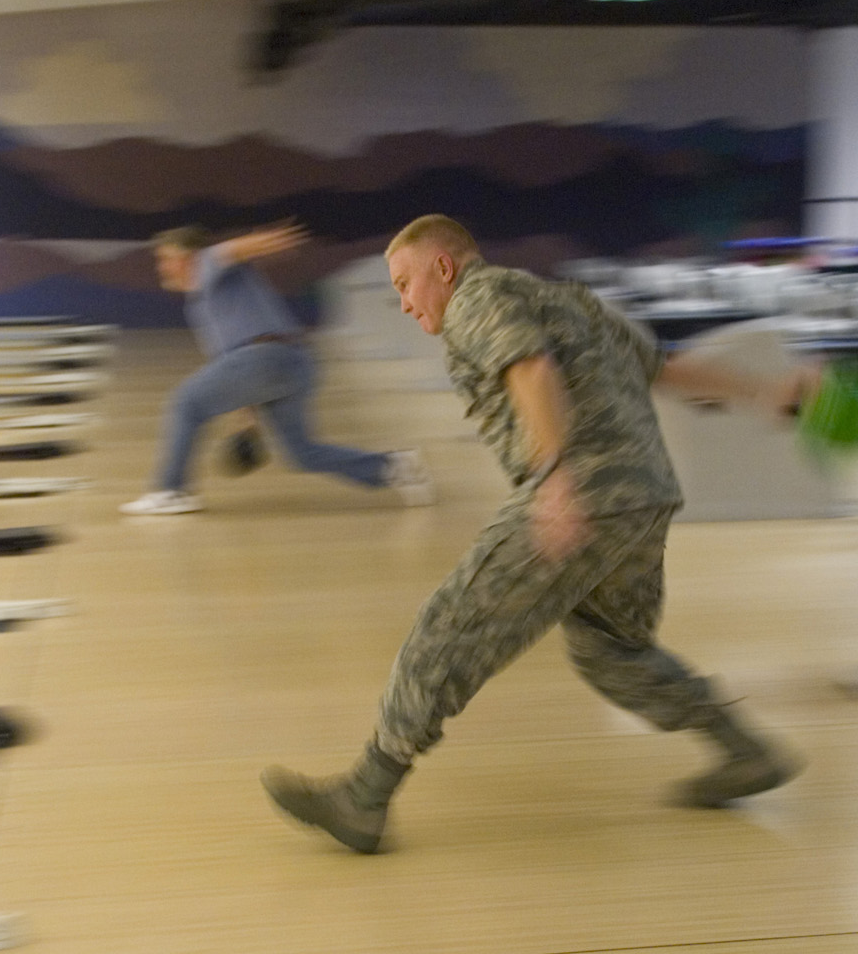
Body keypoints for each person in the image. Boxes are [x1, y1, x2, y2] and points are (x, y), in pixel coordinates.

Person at [261, 215, 810, 854]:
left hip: (586, 490)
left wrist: (553, 478)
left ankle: (364, 796)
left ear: (445, 266)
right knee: (612, 651)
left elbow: (529, 366)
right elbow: (663, 368)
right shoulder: (566, 298)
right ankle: (743, 751)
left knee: (451, 625)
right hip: (645, 496)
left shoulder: (477, 298)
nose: (405, 302)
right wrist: (765, 391)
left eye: (407, 283)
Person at [122, 222, 435, 515]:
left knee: (186, 401)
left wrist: (271, 241)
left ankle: (172, 490)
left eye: (165, 258)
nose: (161, 267)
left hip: (266, 358)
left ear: (185, 257)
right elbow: (232, 366)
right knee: (302, 454)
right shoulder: (203, 301)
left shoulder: (206, 264)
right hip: (291, 364)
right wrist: (247, 420)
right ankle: (395, 466)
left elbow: (232, 250)